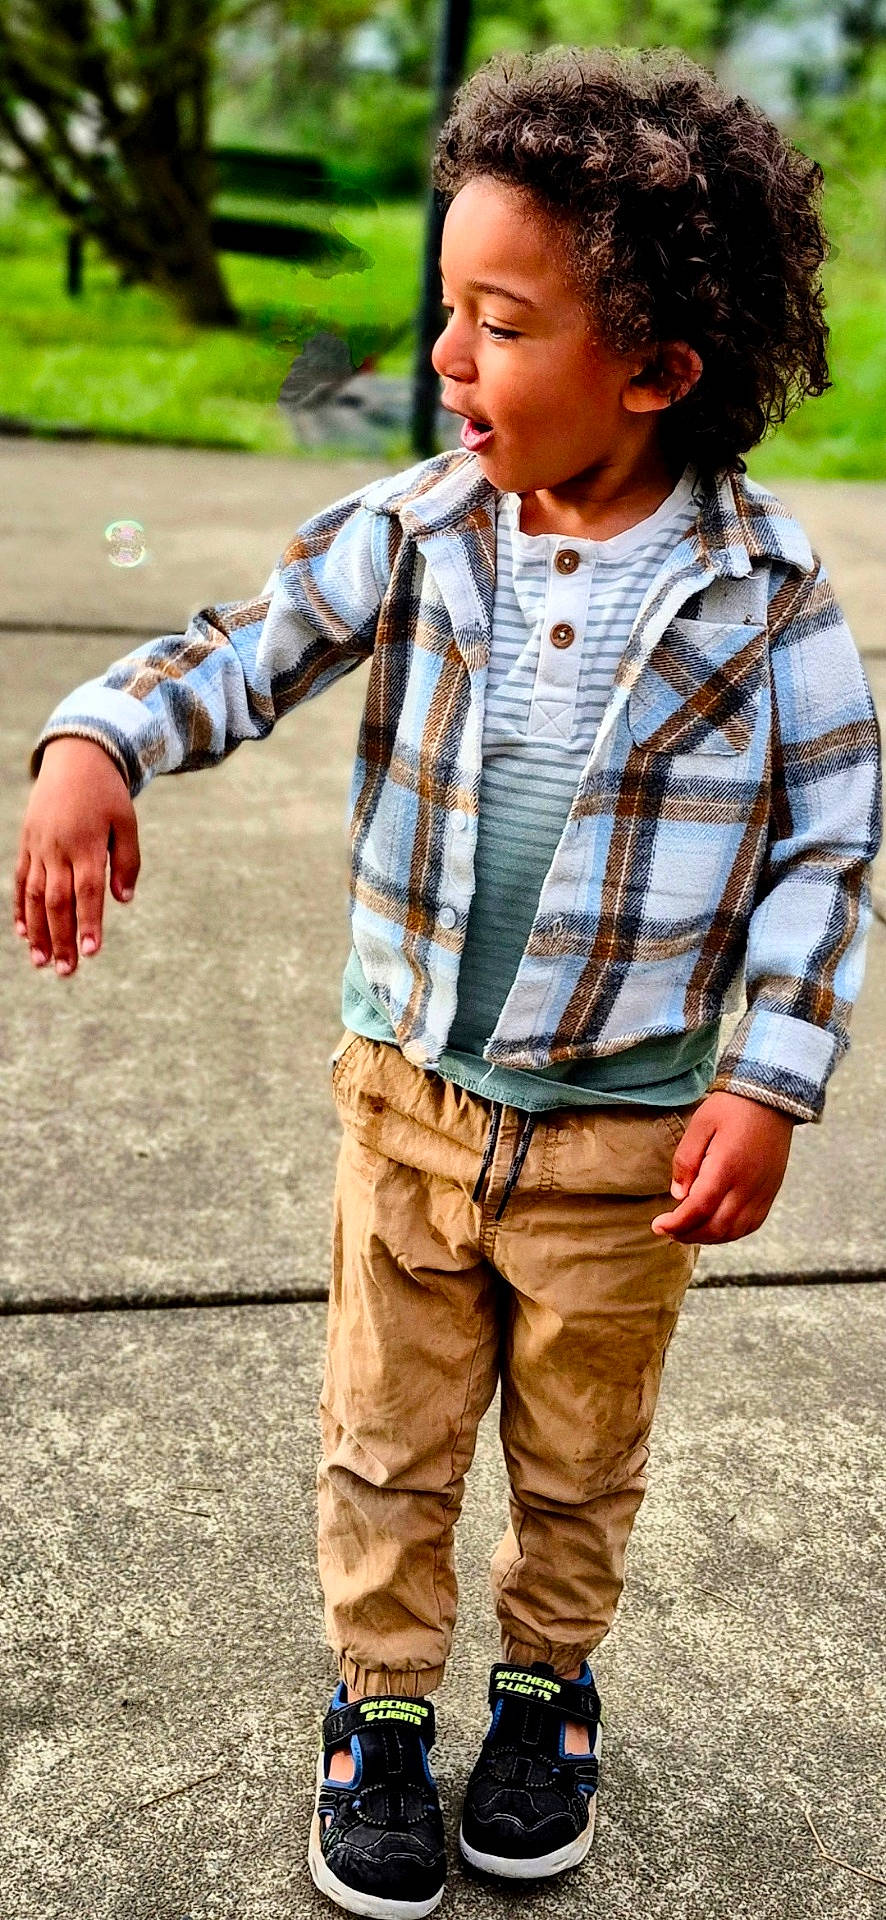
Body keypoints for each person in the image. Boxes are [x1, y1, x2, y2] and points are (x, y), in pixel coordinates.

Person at [13, 43, 882, 1920]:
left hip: (625, 1144)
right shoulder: (415, 527)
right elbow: (244, 647)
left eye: (499, 323)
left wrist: (768, 1074)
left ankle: (544, 1691)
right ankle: (384, 1706)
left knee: (578, 1460)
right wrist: (95, 738)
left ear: (656, 371)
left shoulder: (765, 593)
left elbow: (828, 842)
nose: (444, 357)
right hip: (408, 1108)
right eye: (445, 310)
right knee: (384, 1443)